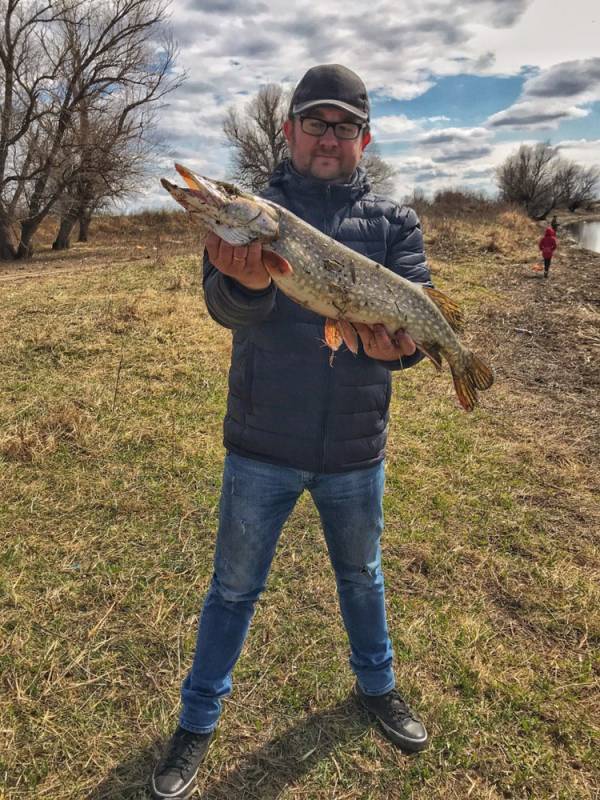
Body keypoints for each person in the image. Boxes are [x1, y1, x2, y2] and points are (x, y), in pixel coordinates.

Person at [151, 64, 432, 800]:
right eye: (316, 122)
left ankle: (379, 687)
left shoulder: (397, 224)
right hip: (262, 443)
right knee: (233, 589)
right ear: (289, 132)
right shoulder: (254, 214)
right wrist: (245, 282)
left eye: (345, 126)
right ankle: (197, 720)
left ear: (364, 139)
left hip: (353, 449)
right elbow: (227, 309)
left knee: (362, 577)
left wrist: (404, 343)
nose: (329, 138)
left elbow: (412, 325)